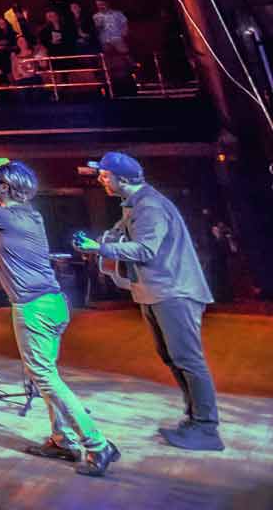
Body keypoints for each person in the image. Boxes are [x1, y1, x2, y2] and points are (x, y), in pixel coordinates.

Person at [0, 148, 117, 477]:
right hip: (53, 303)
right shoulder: (28, 213)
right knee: (47, 374)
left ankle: (96, 444)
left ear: (6, 188)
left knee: (45, 377)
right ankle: (62, 440)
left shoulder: (5, 217)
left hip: (33, 308)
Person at [74, 151, 221, 451]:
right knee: (173, 357)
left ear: (123, 179)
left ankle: (207, 429)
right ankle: (195, 420)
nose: (101, 180)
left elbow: (145, 250)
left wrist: (100, 249)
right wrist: (100, 243)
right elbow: (120, 238)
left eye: (105, 176)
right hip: (157, 291)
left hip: (174, 291)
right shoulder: (134, 205)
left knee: (188, 359)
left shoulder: (149, 206)